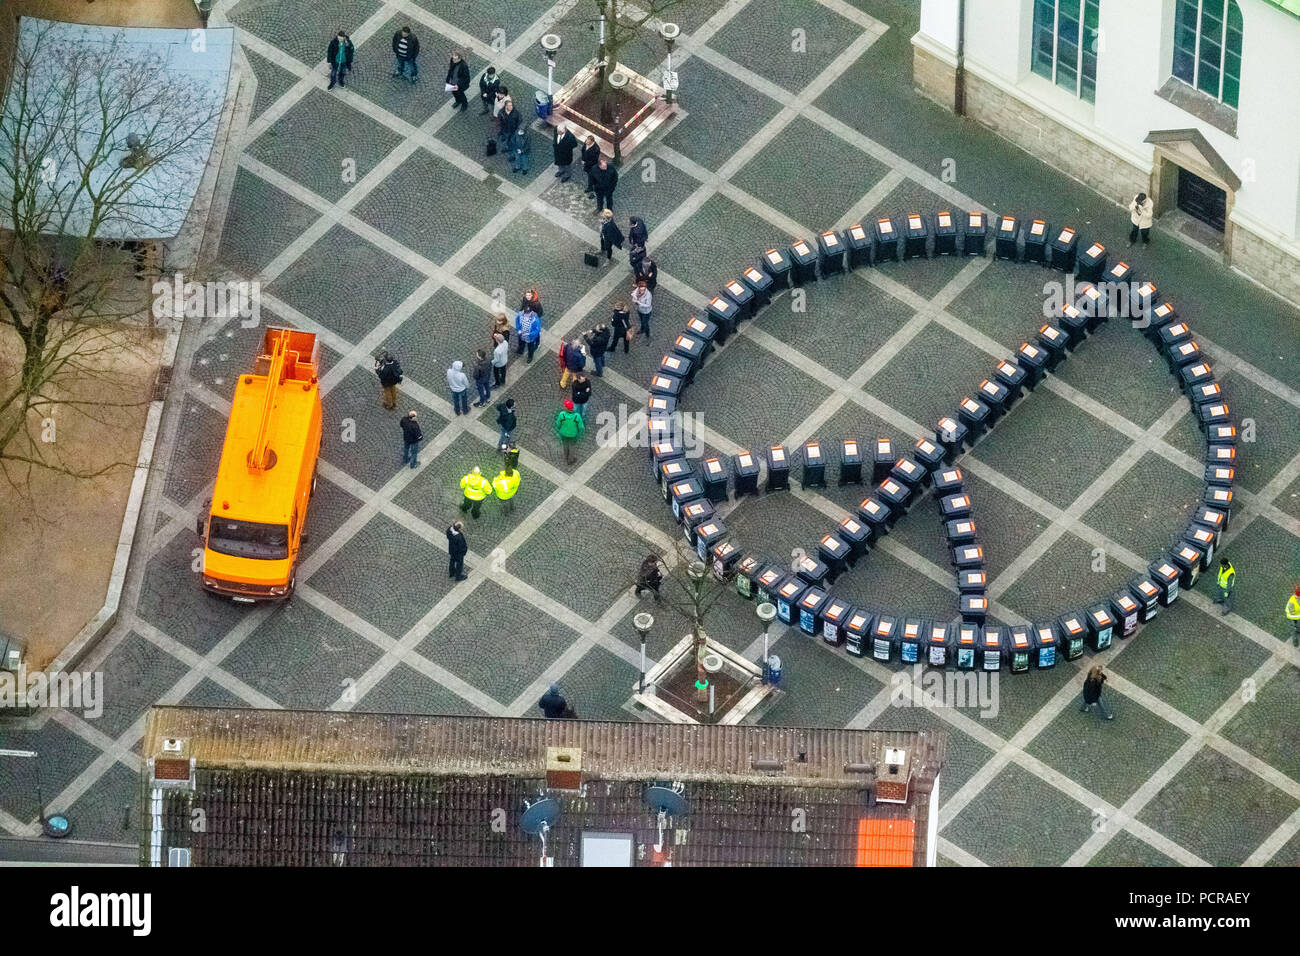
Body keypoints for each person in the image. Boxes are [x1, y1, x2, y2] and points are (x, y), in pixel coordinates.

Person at [554, 398, 585, 465]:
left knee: (565, 444)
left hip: (563, 433)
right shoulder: (577, 416)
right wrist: (578, 434)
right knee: (572, 446)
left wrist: (560, 430)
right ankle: (570, 460)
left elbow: (558, 424)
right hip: (573, 435)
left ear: (566, 408)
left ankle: (566, 456)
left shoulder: (562, 414)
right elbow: (580, 427)